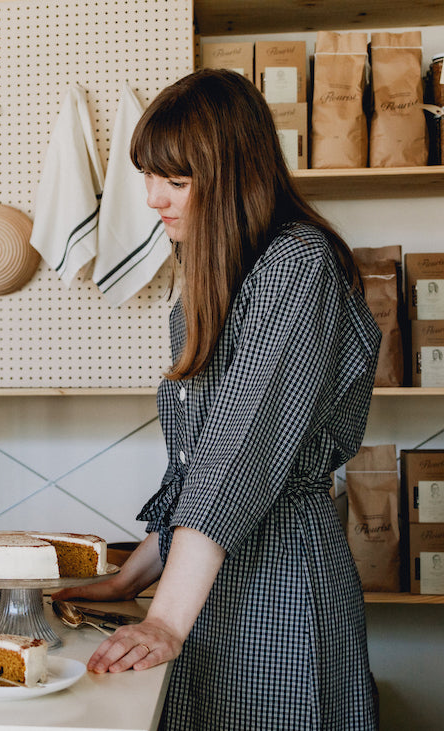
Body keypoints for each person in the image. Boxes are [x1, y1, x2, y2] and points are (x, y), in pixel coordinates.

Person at [53, 69, 380, 729]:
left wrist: (167, 618)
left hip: (280, 577)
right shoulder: (209, 283)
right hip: (200, 580)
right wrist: (130, 580)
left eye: (175, 182)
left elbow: (239, 452)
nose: (152, 199)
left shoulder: (297, 264)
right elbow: (198, 469)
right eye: (148, 176)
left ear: (234, 175)